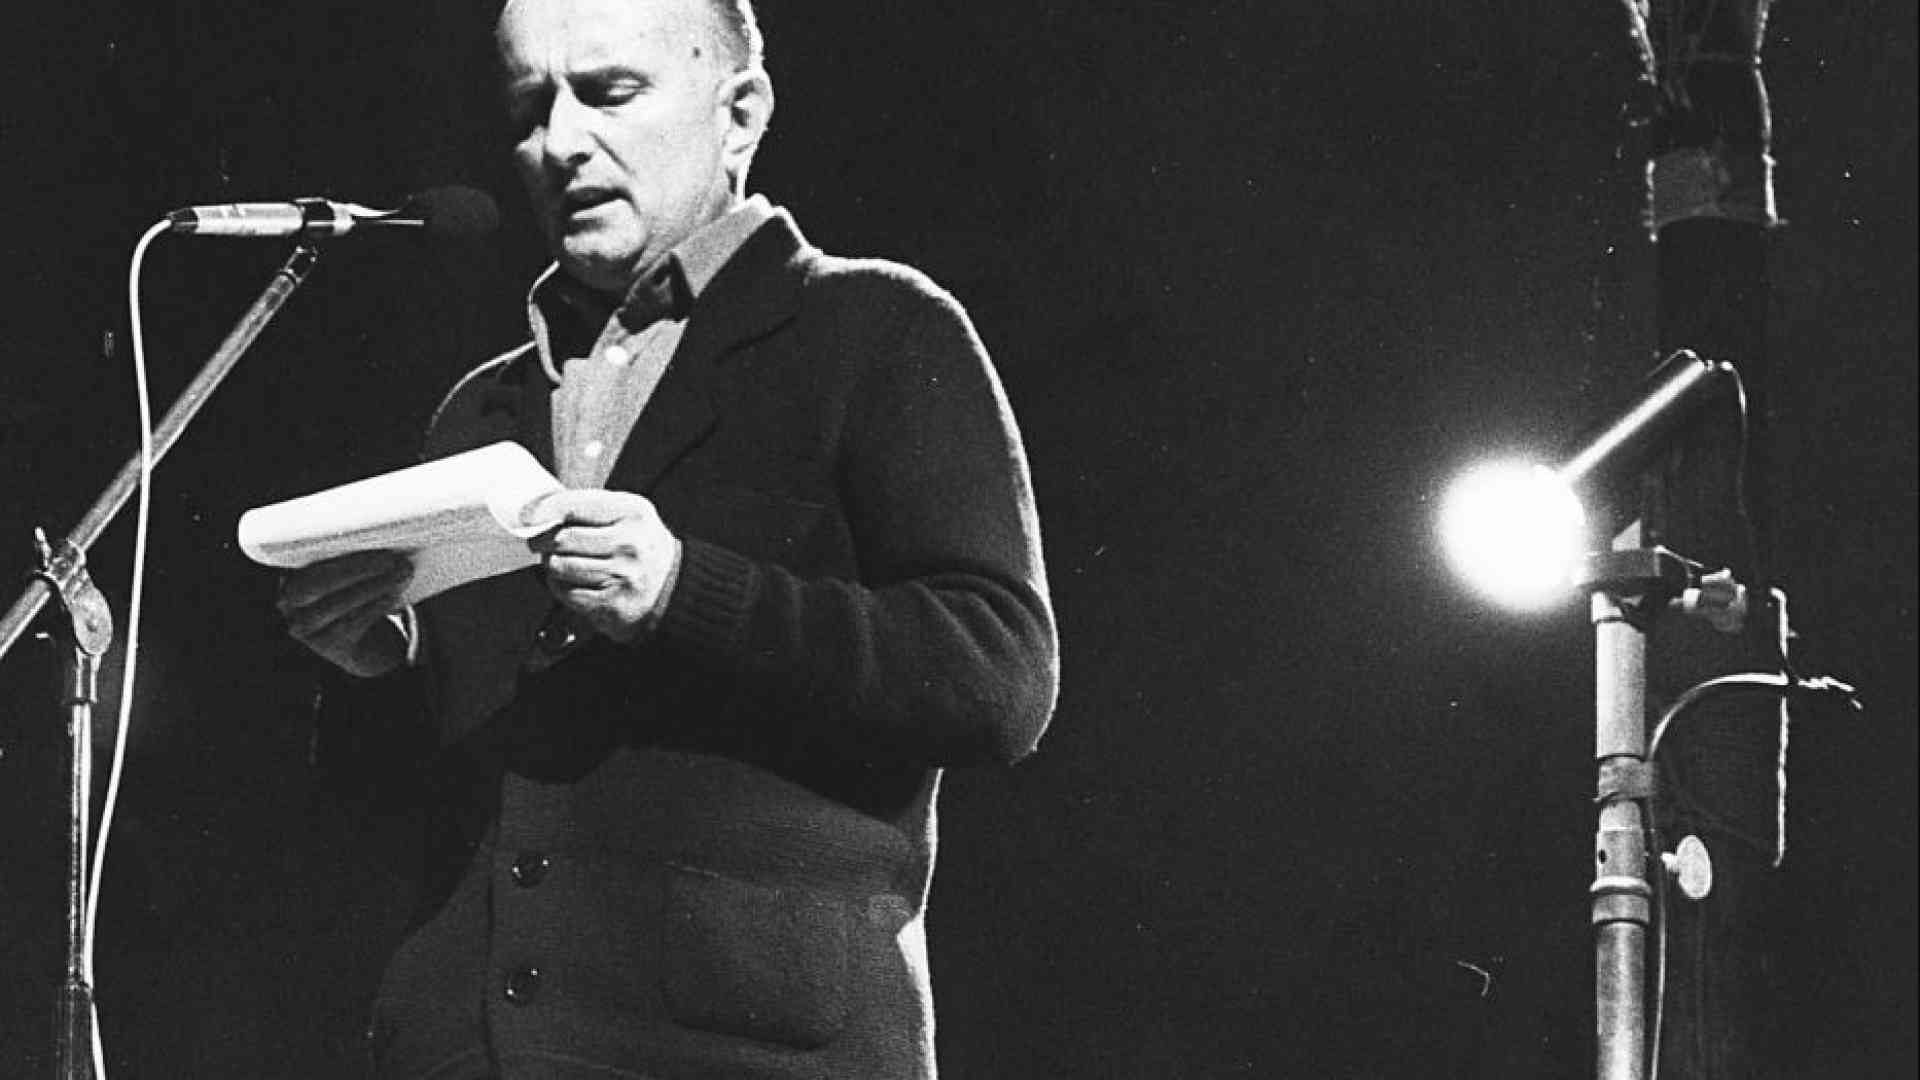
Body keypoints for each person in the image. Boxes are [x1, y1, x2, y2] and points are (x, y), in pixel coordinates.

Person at [274, 0, 1058, 1076]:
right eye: (529, 109)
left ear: (741, 112)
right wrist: (377, 674)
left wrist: (689, 590)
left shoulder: (878, 330)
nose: (558, 142)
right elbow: (419, 807)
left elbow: (1000, 676)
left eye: (608, 92)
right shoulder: (477, 413)